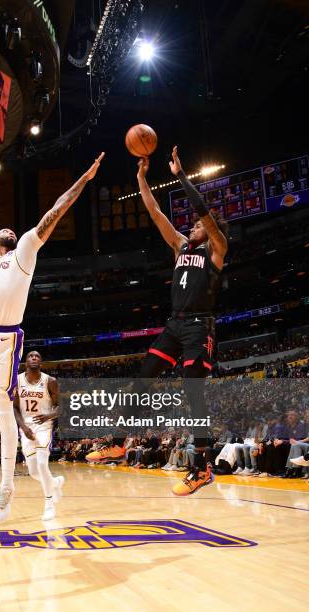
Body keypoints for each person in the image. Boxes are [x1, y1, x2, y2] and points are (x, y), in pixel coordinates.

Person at [0, 153, 105, 522]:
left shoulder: (24, 253)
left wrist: (83, 179)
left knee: (1, 409)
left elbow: (55, 212)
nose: (9, 235)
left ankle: (6, 489)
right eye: (4, 236)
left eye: (11, 235)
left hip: (4, 339)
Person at [136, 145, 228, 495]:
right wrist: (142, 178)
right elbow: (155, 212)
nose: (191, 226)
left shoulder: (216, 248)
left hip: (199, 325)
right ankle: (116, 441)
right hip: (174, 324)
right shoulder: (180, 247)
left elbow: (203, 212)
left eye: (197, 225)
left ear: (211, 229)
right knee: (143, 378)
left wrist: (180, 176)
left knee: (194, 391)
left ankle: (202, 467)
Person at [13, 351, 63, 521]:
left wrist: (48, 416)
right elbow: (14, 408)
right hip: (26, 428)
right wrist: (23, 427)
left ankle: (49, 505)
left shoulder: (50, 381)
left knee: (42, 465)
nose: (34, 358)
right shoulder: (17, 381)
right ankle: (54, 483)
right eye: (30, 356)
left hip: (44, 426)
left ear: (40, 362)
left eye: (37, 356)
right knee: (34, 473)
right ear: (25, 362)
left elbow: (60, 408)